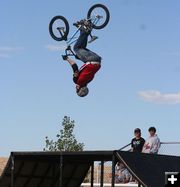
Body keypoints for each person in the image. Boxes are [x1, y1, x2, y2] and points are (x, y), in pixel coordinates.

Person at [62, 19, 102, 97]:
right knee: (76, 48)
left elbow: (87, 68)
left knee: (81, 48)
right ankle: (83, 28)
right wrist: (66, 59)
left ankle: (85, 30)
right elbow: (74, 66)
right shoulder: (77, 81)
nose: (75, 88)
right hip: (91, 60)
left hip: (97, 60)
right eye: (76, 89)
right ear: (78, 88)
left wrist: (79, 57)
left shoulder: (88, 80)